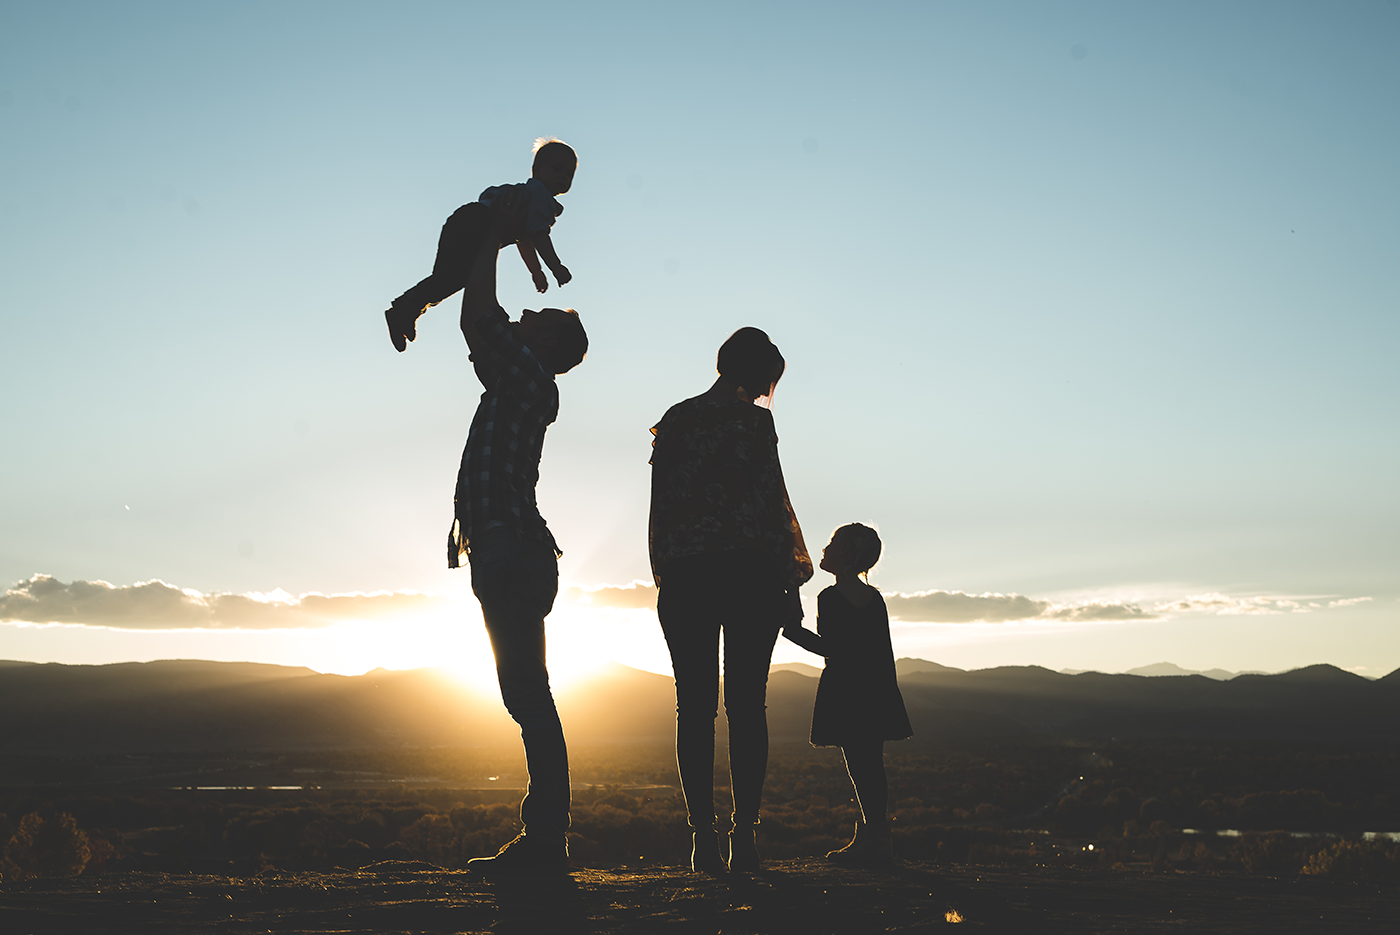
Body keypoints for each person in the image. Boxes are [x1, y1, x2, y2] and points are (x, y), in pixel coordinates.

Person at [442, 190, 589, 871]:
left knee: (527, 691)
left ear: (549, 344)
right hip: (507, 546)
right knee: (524, 691)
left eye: (541, 317)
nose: (525, 315)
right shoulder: (515, 377)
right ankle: (544, 837)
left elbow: (478, 316)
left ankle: (546, 838)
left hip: (511, 546)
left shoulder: (529, 376)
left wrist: (494, 241)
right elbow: (482, 325)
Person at [648, 327, 812, 873]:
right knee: (747, 706)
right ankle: (746, 837)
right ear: (759, 372)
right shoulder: (754, 423)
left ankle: (703, 838)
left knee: (693, 708)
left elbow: (660, 508)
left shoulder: (676, 418)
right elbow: (772, 503)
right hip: (750, 577)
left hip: (688, 576)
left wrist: (665, 575)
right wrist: (790, 583)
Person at [782, 523, 913, 864]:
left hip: (847, 690)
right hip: (876, 689)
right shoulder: (875, 599)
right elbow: (882, 652)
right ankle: (876, 838)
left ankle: (874, 841)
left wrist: (792, 631)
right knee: (872, 764)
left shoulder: (830, 597)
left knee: (860, 765)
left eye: (833, 543)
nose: (824, 548)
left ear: (846, 553)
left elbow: (831, 649)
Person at [384, 138, 578, 352]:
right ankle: (404, 309)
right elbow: (539, 235)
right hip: (477, 223)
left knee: (448, 278)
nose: (563, 176)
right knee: (456, 277)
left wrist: (536, 271)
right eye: (557, 168)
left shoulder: (532, 196)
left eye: (569, 173)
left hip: (466, 217)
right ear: (536, 170)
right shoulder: (540, 197)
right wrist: (555, 266)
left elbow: (524, 239)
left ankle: (407, 310)